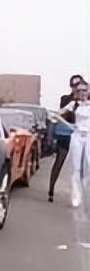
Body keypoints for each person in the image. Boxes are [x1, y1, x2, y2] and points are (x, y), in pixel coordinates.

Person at [49, 74, 85, 202]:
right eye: (74, 85)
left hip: (80, 136)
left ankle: (78, 192)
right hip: (65, 134)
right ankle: (51, 189)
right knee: (59, 161)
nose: (77, 88)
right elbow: (62, 114)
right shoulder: (66, 99)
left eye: (79, 84)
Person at [60, 80, 90, 208]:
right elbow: (59, 113)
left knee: (88, 166)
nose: (82, 93)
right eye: (79, 90)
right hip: (77, 135)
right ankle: (76, 195)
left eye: (84, 90)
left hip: (88, 137)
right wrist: (69, 125)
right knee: (75, 167)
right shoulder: (74, 104)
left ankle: (84, 192)